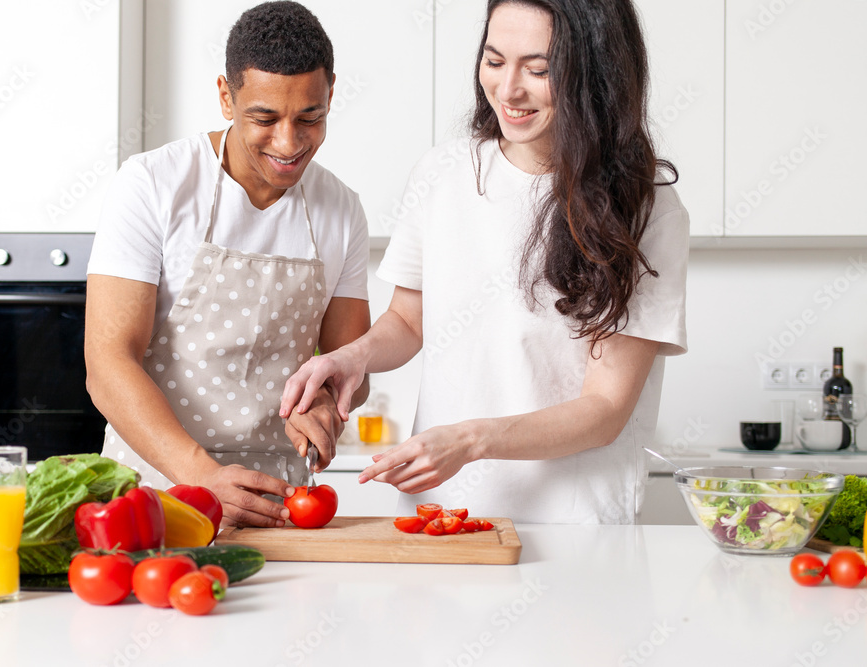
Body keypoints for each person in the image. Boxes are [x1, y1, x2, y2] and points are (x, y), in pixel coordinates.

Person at [280, 0, 689, 524]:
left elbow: (605, 410)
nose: (509, 89)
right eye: (494, 61)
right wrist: (351, 357)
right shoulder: (443, 173)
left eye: (539, 70)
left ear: (597, 73)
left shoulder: (646, 207)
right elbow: (408, 320)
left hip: (575, 524)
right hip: (442, 514)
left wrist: (471, 439)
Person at [85, 1, 370, 528]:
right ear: (225, 96)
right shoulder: (153, 184)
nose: (288, 143)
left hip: (280, 503)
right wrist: (199, 476)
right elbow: (107, 363)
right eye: (264, 118)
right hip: (156, 495)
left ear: (331, 94)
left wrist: (326, 403)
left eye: (310, 117)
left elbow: (350, 362)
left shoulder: (342, 210)